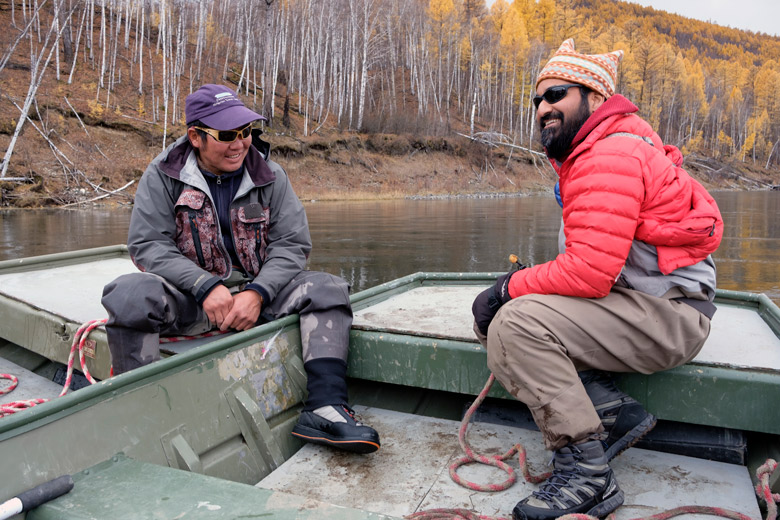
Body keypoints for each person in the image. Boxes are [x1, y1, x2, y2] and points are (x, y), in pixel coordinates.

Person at [472, 39, 722, 519]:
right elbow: (596, 263)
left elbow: (588, 272)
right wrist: (519, 287)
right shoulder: (603, 148)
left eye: (557, 94)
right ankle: (611, 410)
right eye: (538, 99)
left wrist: (506, 289)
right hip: (652, 306)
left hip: (669, 317)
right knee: (514, 314)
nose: (543, 108)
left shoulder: (607, 155)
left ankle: (587, 474)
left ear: (595, 98)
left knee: (515, 324)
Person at [101, 84, 380, 454]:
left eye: (246, 132)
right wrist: (203, 285)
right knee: (128, 295)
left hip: (259, 295)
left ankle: (325, 408)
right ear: (195, 137)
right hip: (191, 301)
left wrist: (257, 293)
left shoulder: (271, 175)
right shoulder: (162, 175)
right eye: (227, 135)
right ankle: (140, 412)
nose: (240, 144)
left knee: (328, 288)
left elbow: (292, 245)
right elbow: (148, 244)